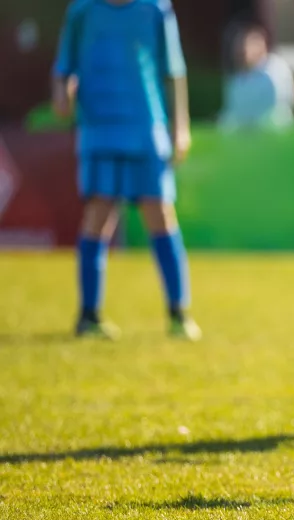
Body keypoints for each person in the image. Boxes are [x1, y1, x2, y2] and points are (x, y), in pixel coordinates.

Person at [53, 0, 200, 341]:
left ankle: (179, 313)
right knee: (98, 216)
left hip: (146, 127)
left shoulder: (155, 10)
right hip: (98, 129)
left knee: (160, 214)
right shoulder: (82, 11)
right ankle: (89, 316)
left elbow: (174, 71)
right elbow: (63, 68)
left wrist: (181, 125)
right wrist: (62, 95)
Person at [218, 24, 294, 132]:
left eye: (247, 44)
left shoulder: (277, 68)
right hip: (246, 137)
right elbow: (232, 112)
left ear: (261, 44)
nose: (242, 49)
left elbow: (279, 105)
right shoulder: (237, 80)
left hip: (273, 132)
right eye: (240, 45)